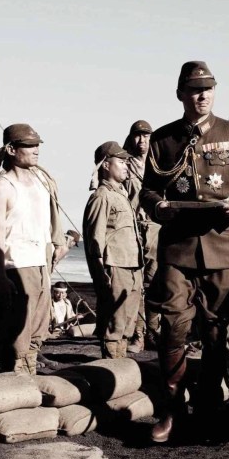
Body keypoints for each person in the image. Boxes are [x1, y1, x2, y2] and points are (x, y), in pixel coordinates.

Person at [141, 61, 229, 443]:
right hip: (177, 249)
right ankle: (173, 407)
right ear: (180, 94)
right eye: (194, 89)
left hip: (222, 248)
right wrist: (155, 206)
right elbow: (147, 190)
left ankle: (210, 403)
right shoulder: (162, 139)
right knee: (173, 328)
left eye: (208, 88)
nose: (203, 95)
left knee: (217, 334)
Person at [0, 123, 68, 374]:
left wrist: (59, 243)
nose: (36, 150)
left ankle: (29, 374)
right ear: (11, 149)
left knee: (38, 329)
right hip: (17, 265)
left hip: (40, 261)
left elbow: (53, 214)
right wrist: (0, 275)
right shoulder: (3, 186)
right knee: (17, 332)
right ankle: (16, 378)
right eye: (29, 146)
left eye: (37, 145)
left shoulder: (41, 180)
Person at [83, 141, 143, 358]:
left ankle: (121, 364)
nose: (126, 166)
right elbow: (94, 240)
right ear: (106, 165)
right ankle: (112, 363)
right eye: (121, 161)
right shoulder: (102, 196)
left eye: (127, 161)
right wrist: (101, 273)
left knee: (128, 320)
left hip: (132, 264)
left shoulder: (121, 194)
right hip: (115, 265)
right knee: (114, 320)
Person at [123, 119, 161, 352]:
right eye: (138, 136)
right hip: (133, 228)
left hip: (156, 227)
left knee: (155, 283)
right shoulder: (124, 166)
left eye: (146, 136)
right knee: (136, 284)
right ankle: (138, 334)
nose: (142, 141)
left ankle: (154, 332)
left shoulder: (160, 164)